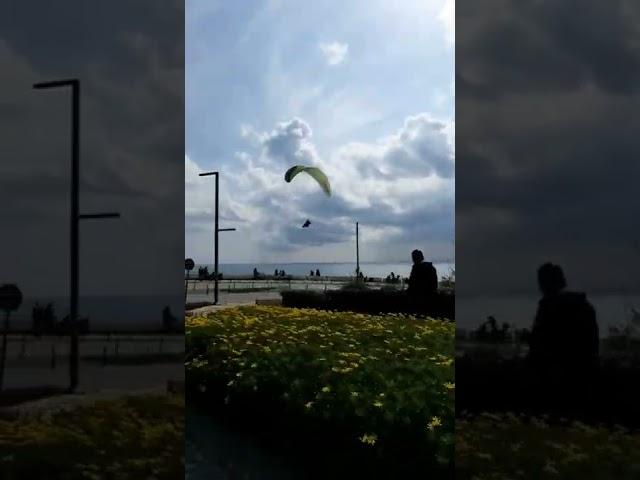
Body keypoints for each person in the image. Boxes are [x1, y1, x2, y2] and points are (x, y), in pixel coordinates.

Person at [527, 263, 599, 413]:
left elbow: (538, 344)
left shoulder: (548, 307)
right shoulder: (584, 305)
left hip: (556, 375)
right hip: (583, 372)